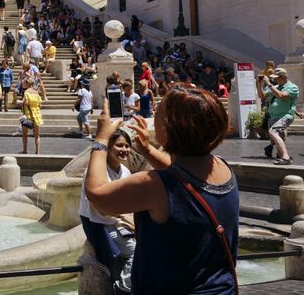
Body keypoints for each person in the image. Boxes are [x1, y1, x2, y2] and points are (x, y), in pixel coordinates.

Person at [86, 87, 239, 294]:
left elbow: (96, 194)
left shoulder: (154, 185)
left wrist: (102, 139)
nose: (153, 114)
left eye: (157, 111)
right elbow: (182, 173)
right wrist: (148, 150)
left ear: (167, 128)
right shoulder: (222, 167)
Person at [79, 133, 136, 292]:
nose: (124, 149)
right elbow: (99, 207)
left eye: (127, 145)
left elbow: (129, 204)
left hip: (118, 223)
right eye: (119, 145)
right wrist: (125, 218)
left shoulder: (125, 171)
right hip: (99, 223)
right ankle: (123, 289)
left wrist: (131, 220)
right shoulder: (95, 172)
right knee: (136, 252)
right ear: (108, 147)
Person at [257, 68, 298, 165]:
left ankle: (286, 157)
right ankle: (281, 157)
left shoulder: (292, 87)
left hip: (285, 115)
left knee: (273, 131)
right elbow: (261, 96)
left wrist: (269, 84)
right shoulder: (275, 86)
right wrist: (259, 84)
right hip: (273, 115)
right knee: (278, 138)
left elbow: (281, 96)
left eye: (276, 78)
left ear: (284, 77)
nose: (274, 80)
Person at [21, 78, 43, 154]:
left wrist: (22, 103)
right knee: (37, 135)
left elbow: (26, 103)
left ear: (28, 84)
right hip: (37, 114)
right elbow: (40, 104)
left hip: (28, 114)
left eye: (25, 83)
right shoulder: (36, 92)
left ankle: (25, 150)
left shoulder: (26, 92)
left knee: (24, 134)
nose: (24, 84)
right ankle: (37, 151)